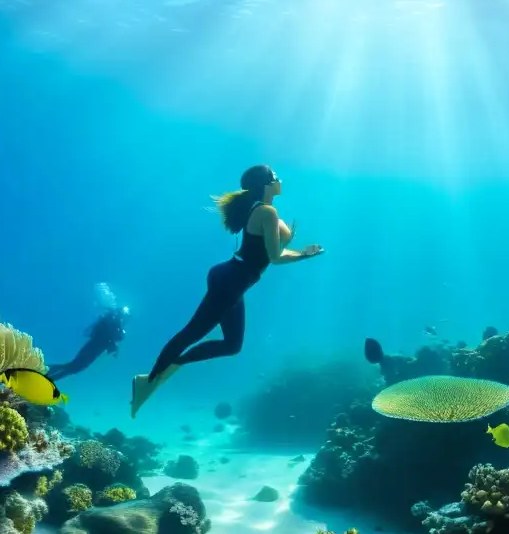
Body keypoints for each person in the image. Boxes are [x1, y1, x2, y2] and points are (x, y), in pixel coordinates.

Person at [130, 164, 323, 417]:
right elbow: (275, 258)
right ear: (266, 184)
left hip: (232, 279)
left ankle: (157, 376)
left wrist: (300, 253)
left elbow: (271, 251)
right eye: (276, 177)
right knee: (191, 333)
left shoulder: (265, 210)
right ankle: (150, 381)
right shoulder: (266, 212)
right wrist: (302, 255)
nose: (280, 180)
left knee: (232, 345)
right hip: (230, 281)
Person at [47, 304, 129, 382]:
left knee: (73, 366)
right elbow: (113, 341)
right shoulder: (115, 325)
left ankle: (47, 371)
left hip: (91, 346)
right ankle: (47, 376)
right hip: (94, 349)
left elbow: (109, 341)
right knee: (74, 368)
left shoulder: (110, 322)